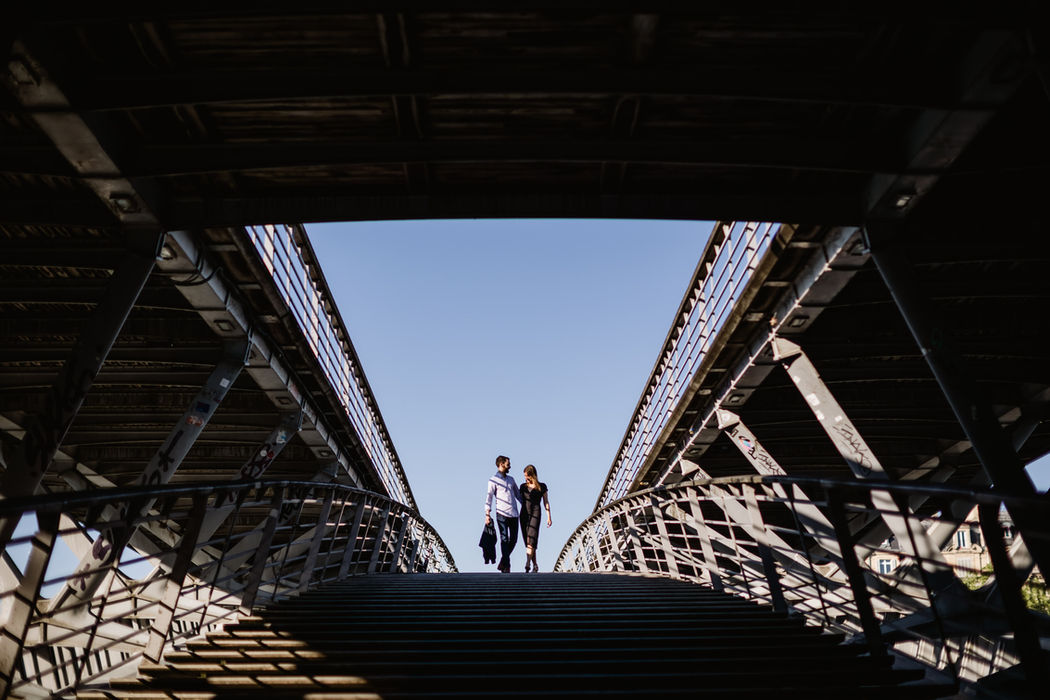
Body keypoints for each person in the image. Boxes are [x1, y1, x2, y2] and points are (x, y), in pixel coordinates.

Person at [484, 455, 522, 573]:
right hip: (501, 513)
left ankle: (503, 560)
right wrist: (487, 513)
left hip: (514, 514)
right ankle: (507, 565)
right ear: (501, 464)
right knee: (504, 539)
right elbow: (489, 497)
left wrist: (527, 506)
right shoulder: (493, 480)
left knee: (514, 539)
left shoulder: (511, 479)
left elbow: (518, 495)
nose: (509, 465)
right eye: (508, 463)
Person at [518, 464, 551, 573]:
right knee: (528, 541)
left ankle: (527, 563)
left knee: (531, 538)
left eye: (527, 476)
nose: (525, 478)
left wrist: (549, 517)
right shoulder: (522, 487)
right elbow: (518, 499)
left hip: (536, 513)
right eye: (524, 476)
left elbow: (546, 502)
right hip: (524, 515)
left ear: (532, 475)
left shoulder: (542, 486)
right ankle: (535, 565)